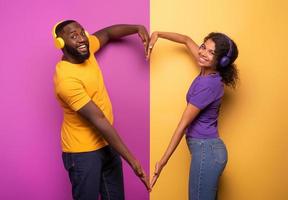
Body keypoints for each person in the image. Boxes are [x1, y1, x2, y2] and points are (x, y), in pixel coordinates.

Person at [52, 20, 150, 200]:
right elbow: (99, 119)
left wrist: (137, 28)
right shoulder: (66, 80)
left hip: (107, 143)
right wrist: (134, 162)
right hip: (82, 153)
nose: (82, 39)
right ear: (60, 43)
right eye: (73, 36)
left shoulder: (86, 52)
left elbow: (107, 33)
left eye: (83, 33)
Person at [147, 31, 238, 200]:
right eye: (204, 47)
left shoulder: (207, 85)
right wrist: (157, 33)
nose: (202, 53)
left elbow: (183, 125)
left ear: (222, 61)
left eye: (211, 53)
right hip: (209, 151)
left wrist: (163, 161)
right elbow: (186, 39)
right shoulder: (208, 70)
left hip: (206, 152)